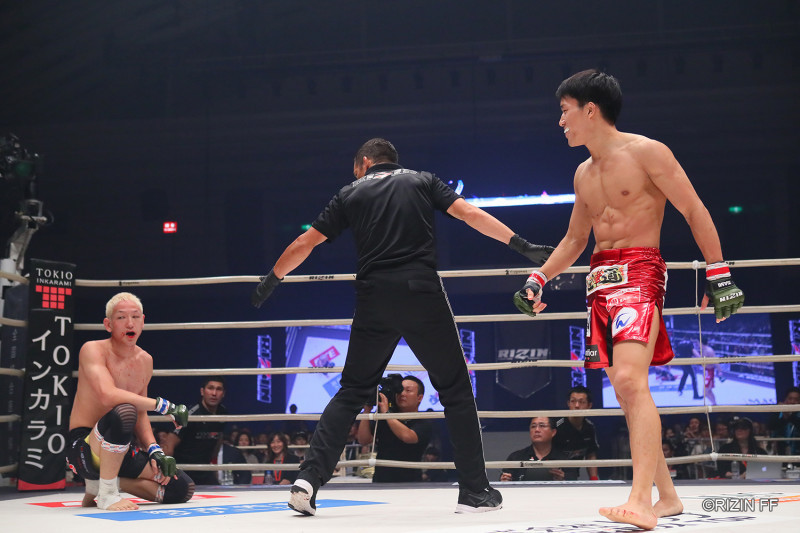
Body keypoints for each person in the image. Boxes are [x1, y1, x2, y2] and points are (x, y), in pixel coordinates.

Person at [251, 137, 554, 515]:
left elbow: (305, 242)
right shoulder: (423, 179)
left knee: (352, 390)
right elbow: (469, 214)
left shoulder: (349, 193)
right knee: (456, 391)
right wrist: (522, 245)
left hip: (374, 297)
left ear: (364, 163)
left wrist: (271, 280)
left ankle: (308, 480)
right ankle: (475, 493)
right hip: (420, 292)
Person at [515, 69, 745, 530]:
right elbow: (575, 239)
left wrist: (718, 270)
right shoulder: (583, 173)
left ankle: (640, 500)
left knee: (629, 380)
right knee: (624, 391)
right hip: (598, 280)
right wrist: (538, 278)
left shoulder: (647, 152)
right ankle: (668, 497)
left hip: (640, 271)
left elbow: (693, 208)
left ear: (590, 110)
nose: (560, 121)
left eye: (564, 111)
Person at [66, 292, 194, 511]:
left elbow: (141, 412)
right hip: (84, 449)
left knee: (180, 487)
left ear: (143, 321)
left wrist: (154, 450)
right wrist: (164, 406)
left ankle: (100, 485)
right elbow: (108, 395)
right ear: (108, 324)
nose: (129, 323)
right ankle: (107, 495)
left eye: (135, 317)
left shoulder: (145, 360)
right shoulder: (93, 350)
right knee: (125, 411)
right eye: (121, 317)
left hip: (119, 448)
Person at [357, 375, 433, 483]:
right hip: (381, 480)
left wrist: (386, 413)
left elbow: (408, 437)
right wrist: (367, 410)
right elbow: (363, 440)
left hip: (410, 482)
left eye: (408, 390)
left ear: (419, 398)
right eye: (400, 390)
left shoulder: (424, 420)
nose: (402, 394)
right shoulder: (384, 416)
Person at [161, 376, 227, 485]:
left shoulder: (223, 413)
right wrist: (168, 473)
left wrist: (214, 465)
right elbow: (169, 444)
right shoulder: (190, 414)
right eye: (210, 388)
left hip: (205, 470)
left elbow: (218, 438)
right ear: (202, 391)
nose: (214, 393)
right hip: (184, 470)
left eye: (218, 389)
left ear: (223, 393)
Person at [500, 417, 578, 482]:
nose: (537, 430)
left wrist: (563, 481)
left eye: (542, 426)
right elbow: (503, 483)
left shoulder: (565, 460)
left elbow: (574, 487)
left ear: (553, 432)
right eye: (533, 426)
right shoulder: (516, 457)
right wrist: (504, 481)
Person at [552, 385, 600, 480]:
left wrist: (594, 479)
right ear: (568, 404)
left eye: (581, 402)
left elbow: (590, 455)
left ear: (589, 406)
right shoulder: (557, 424)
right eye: (573, 401)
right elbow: (543, 451)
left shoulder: (589, 427)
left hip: (572, 474)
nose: (577, 406)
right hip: (552, 474)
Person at [767, 386, 800, 459]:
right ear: (785, 399)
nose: (792, 402)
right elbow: (771, 426)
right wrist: (783, 415)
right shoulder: (777, 412)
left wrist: (789, 415)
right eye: (790, 399)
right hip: (779, 453)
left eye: (796, 399)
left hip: (798, 453)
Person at [694, 340, 718, 405]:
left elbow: (715, 361)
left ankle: (715, 405)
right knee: (708, 391)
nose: (697, 344)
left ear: (701, 343)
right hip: (706, 371)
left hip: (709, 372)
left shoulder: (709, 350)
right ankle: (715, 404)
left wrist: (720, 371)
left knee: (706, 392)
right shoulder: (704, 350)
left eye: (698, 343)